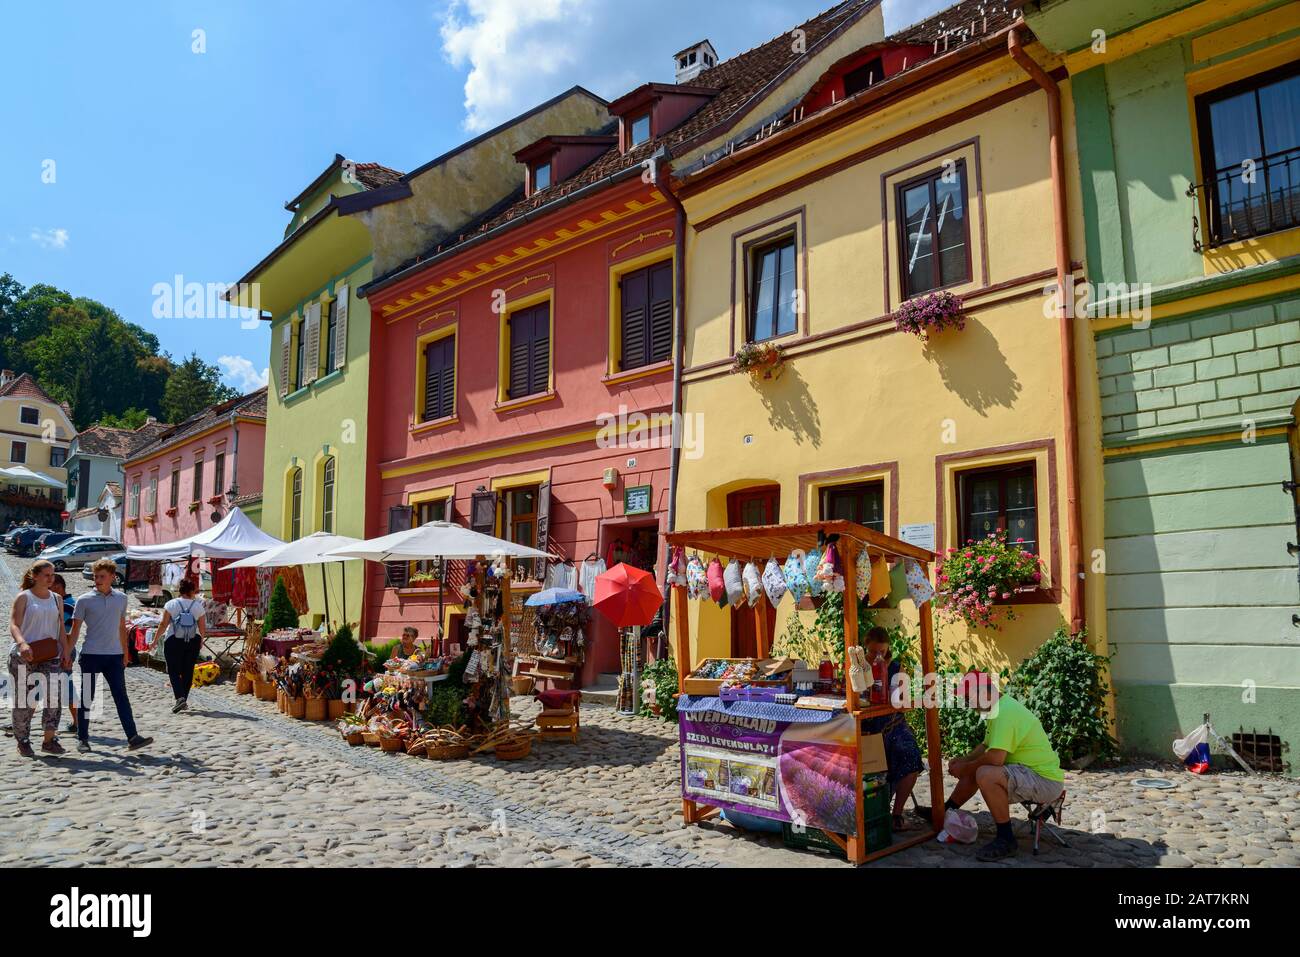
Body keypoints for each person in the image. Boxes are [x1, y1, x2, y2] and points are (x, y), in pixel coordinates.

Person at [924, 672, 1065, 861]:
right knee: (978, 767)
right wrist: (963, 761)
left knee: (985, 773)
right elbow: (985, 746)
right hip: (1034, 774)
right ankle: (944, 812)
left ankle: (1006, 839)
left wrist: (965, 768)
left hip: (1045, 781)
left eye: (969, 698)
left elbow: (995, 759)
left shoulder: (1004, 713)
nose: (968, 704)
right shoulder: (999, 708)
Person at [70, 559, 153, 753]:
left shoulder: (121, 598)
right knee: (87, 698)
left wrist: (125, 653)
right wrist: (67, 652)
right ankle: (83, 738)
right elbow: (75, 630)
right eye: (95, 576)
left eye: (101, 576)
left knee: (121, 697)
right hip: (91, 655)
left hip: (114, 656)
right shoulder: (84, 600)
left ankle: (133, 737)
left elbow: (121, 627)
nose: (97, 579)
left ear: (112, 577)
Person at [861, 627, 924, 832]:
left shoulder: (896, 668)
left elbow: (903, 700)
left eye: (882, 652)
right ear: (865, 649)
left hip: (893, 724)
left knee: (910, 753)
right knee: (862, 753)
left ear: (888, 649)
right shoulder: (858, 668)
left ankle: (896, 813)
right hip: (866, 726)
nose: (878, 656)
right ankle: (870, 810)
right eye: (873, 652)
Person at [8, 560, 67, 756]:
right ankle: (23, 739)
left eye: (53, 575)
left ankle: (49, 740)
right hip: (25, 656)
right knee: (25, 701)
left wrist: (66, 651)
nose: (51, 578)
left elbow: (60, 630)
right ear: (35, 576)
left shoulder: (56, 598)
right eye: (47, 575)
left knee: (54, 695)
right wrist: (22, 643)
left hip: (49, 654)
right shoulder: (24, 597)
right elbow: (14, 625)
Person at [157, 579, 206, 712]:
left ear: (180, 590)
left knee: (173, 670)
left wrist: (155, 640)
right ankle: (183, 698)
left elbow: (163, 624)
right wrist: (201, 640)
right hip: (193, 640)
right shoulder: (198, 606)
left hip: (173, 639)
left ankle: (180, 698)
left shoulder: (171, 604)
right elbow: (202, 627)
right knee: (188, 671)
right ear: (192, 591)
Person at [50, 573, 79, 734]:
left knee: (66, 688)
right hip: (61, 650)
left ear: (58, 586)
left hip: (63, 650)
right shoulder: (64, 602)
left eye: (50, 585)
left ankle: (78, 722)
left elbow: (63, 631)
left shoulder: (67, 604)